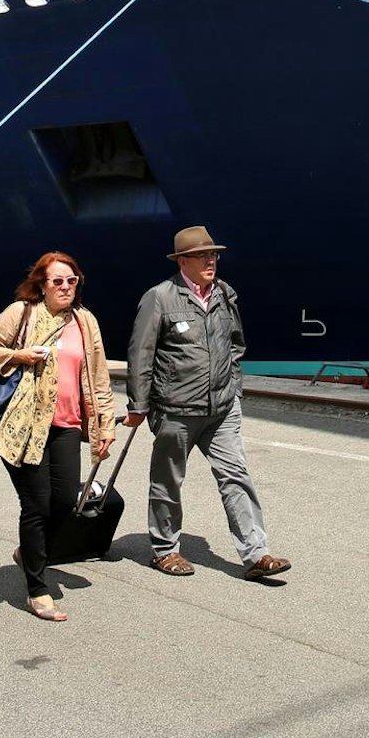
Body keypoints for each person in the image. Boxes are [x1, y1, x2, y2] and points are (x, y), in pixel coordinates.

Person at [125, 226, 291, 582]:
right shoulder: (160, 297)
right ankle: (165, 550)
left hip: (222, 408)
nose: (210, 261)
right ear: (182, 261)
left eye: (213, 255)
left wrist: (234, 389)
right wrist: (138, 405)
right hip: (176, 409)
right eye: (202, 256)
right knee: (168, 480)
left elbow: (236, 345)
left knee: (236, 475)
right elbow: (141, 354)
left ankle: (256, 553)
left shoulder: (225, 294)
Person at [0, 252, 115, 621]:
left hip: (67, 425)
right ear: (42, 285)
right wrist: (20, 356)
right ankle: (37, 590)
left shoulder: (85, 321)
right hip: (24, 426)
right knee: (36, 505)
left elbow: (99, 376)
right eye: (58, 281)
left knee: (65, 501)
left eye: (72, 280)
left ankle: (28, 553)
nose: (66, 287)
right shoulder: (21, 313)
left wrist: (105, 425)